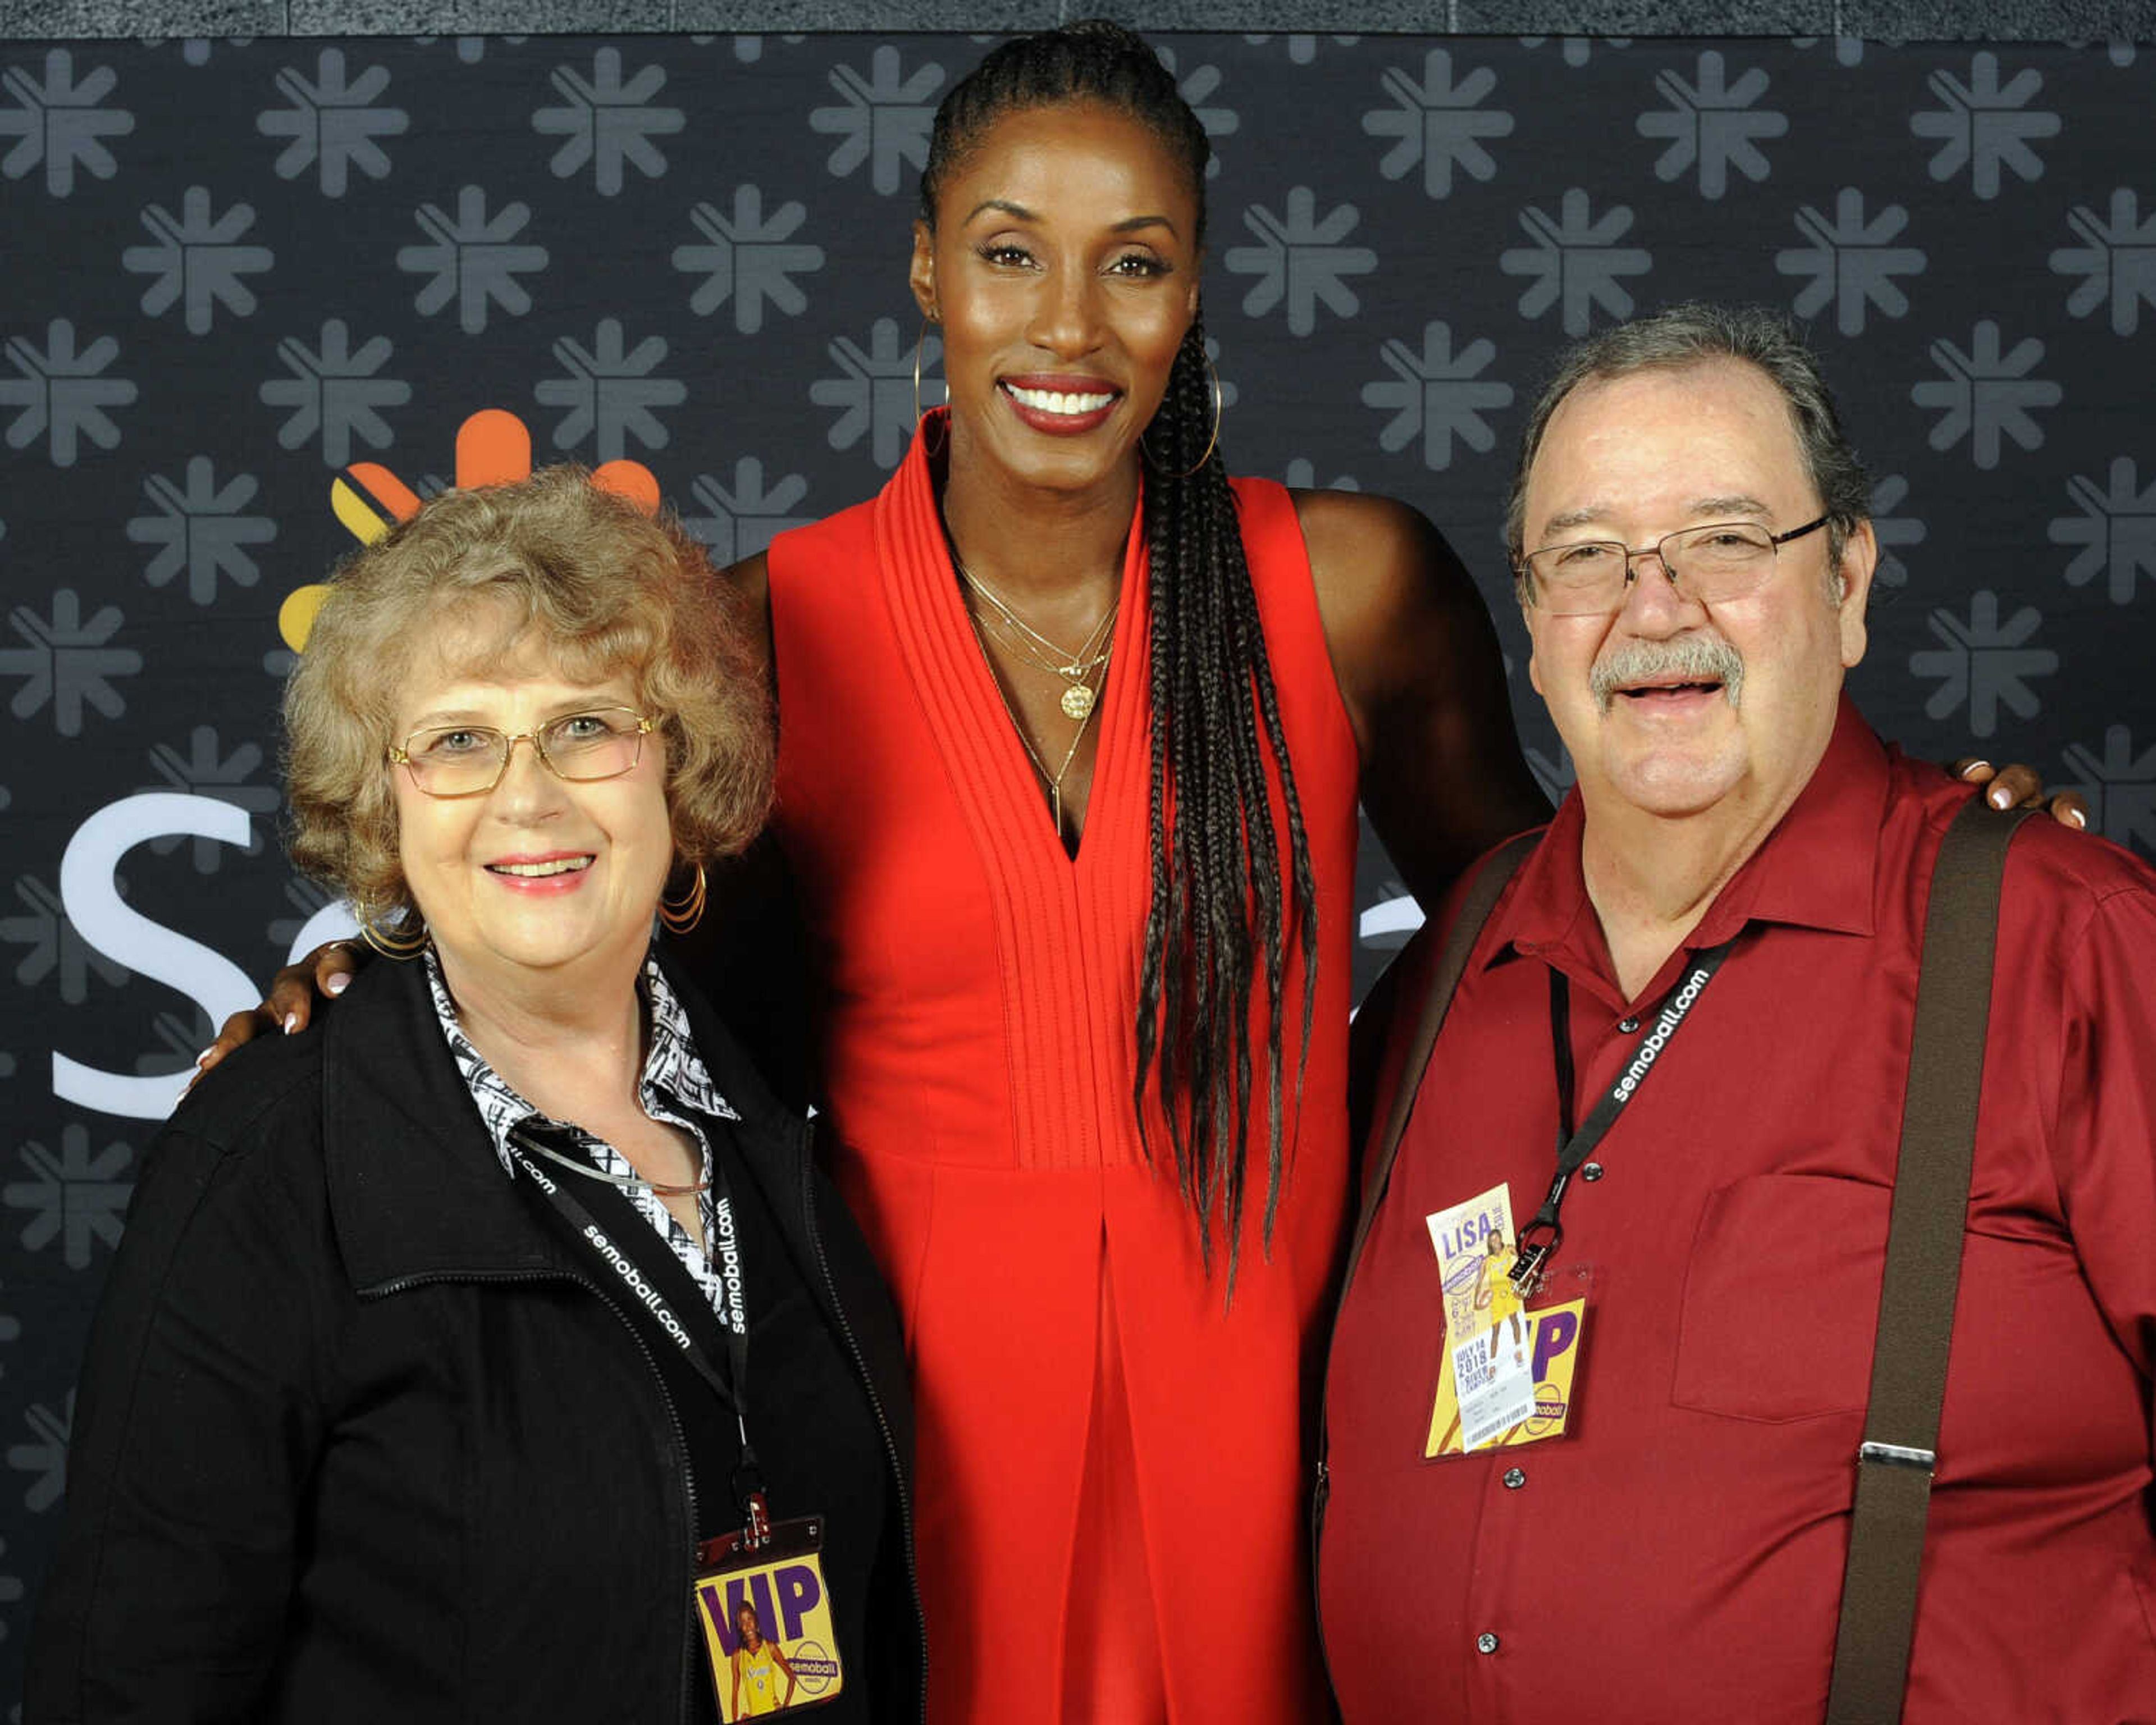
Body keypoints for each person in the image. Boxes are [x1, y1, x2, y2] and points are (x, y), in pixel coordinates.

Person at [204, 29, 2067, 1722]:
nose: (1068, 325)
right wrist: (372, 1002)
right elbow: (631, 1017)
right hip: (924, 1458)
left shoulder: (1349, 588)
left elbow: (1578, 932)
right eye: (1011, 252)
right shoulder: (772, 633)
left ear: (1197, 283)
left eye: (1137, 261)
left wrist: (1900, 822)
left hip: (1273, 1448)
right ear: (928, 266)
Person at [1315, 304, 2156, 1722]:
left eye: (1723, 537)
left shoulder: (2063, 944)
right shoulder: (1441, 973)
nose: (1654, 607)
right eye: (1587, 555)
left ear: (1845, 581)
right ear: (1530, 623)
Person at [29, 469, 922, 1723]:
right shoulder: (264, 1169)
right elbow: (130, 1685)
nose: (529, 794)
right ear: (385, 800)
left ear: (676, 766)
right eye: (457, 739)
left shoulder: (765, 1103)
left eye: (587, 724)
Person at [733, 1600, 799, 1717]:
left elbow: (792, 1678)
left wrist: (785, 1707)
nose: (748, 1626)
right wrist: (736, 1720)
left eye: (750, 1619)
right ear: (740, 1627)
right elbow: (735, 1695)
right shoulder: (738, 1656)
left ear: (756, 1621)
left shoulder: (770, 1648)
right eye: (743, 1622)